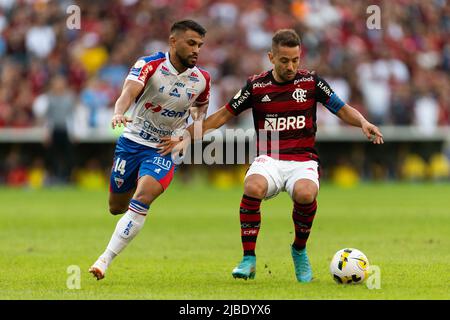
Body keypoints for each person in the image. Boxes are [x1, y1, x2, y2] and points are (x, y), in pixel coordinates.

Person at [158, 29, 383, 282]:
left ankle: (298, 250)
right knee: (253, 186)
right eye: (285, 60)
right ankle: (249, 258)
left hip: (303, 159)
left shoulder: (311, 82)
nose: (291, 66)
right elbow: (221, 116)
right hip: (270, 158)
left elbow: (340, 108)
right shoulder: (256, 86)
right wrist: (186, 135)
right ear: (271, 57)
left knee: (306, 193)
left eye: (295, 60)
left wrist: (363, 122)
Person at [89, 20, 211, 280]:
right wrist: (119, 112)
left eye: (200, 45)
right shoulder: (149, 64)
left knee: (143, 197)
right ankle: (133, 194)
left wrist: (186, 137)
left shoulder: (201, 80)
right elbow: (128, 92)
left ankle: (104, 259)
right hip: (132, 142)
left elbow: (201, 119)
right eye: (191, 43)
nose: (196, 50)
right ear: (173, 41)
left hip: (165, 148)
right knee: (116, 207)